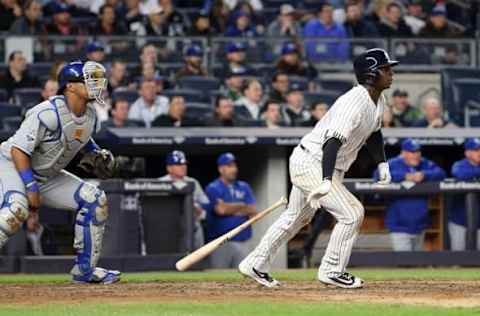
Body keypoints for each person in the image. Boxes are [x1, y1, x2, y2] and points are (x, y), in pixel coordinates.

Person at [239, 48, 398, 289]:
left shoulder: (378, 100)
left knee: (296, 218)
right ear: (370, 75)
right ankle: (332, 269)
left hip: (319, 164)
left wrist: (382, 162)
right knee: (352, 213)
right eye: (386, 69)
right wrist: (325, 180)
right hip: (314, 161)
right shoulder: (353, 102)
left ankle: (255, 262)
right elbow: (331, 142)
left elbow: (373, 131)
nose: (391, 73)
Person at [0, 60, 120, 283]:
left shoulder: (91, 115)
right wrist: (29, 185)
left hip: (46, 174)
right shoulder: (47, 112)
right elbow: (18, 150)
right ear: (70, 86)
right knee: (15, 211)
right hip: (10, 165)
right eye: (89, 80)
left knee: (95, 199)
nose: (96, 85)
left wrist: (96, 154)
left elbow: (80, 137)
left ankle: (85, 271)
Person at [374, 139, 446, 252]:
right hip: (399, 225)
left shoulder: (424, 164)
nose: (416, 155)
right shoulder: (393, 164)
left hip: (420, 225)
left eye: (417, 152)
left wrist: (424, 175)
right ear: (403, 153)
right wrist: (405, 176)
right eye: (412, 152)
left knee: (417, 265)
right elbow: (378, 175)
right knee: (404, 264)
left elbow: (441, 173)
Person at [205, 153, 257, 268]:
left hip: (243, 240)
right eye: (229, 166)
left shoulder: (244, 186)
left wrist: (230, 208)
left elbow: (253, 209)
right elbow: (221, 210)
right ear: (221, 169)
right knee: (218, 279)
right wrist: (242, 206)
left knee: (244, 277)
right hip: (221, 242)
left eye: (234, 166)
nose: (234, 169)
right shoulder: (213, 187)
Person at [159, 151, 209, 249]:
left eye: (184, 164)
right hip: (170, 228)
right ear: (169, 168)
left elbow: (206, 205)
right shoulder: (160, 183)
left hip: (193, 226)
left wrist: (197, 208)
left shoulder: (193, 182)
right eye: (178, 164)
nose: (183, 167)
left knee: (196, 259)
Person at [449, 138, 480, 251]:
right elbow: (459, 174)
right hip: (459, 220)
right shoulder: (459, 165)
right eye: (476, 150)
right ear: (467, 153)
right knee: (457, 257)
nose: (479, 152)